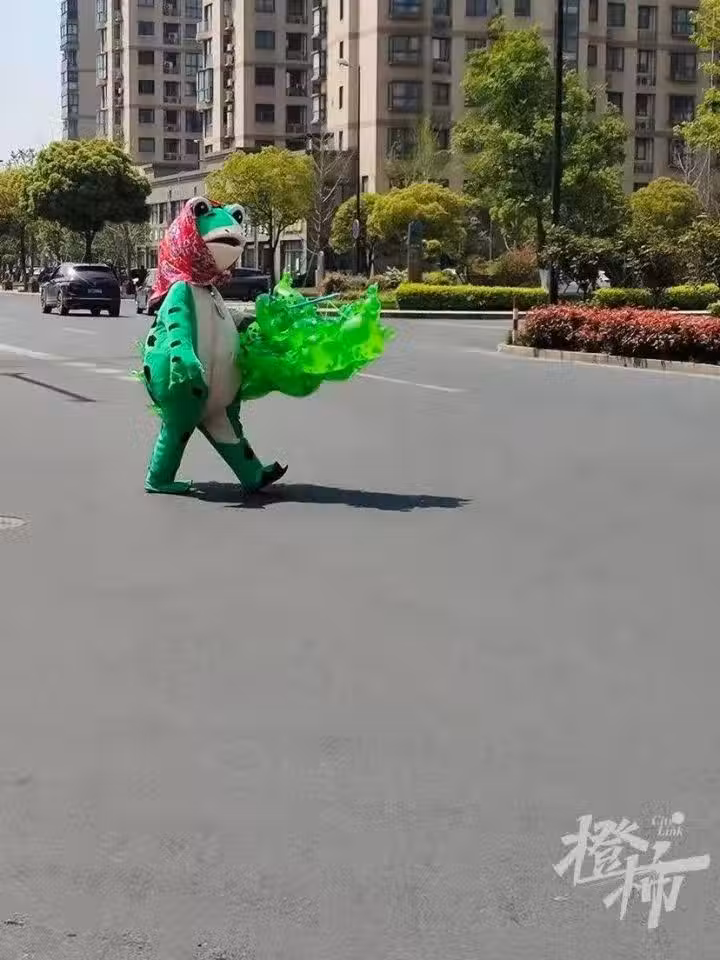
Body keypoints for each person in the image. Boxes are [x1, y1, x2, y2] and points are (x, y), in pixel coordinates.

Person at [138, 196, 393, 495]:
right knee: (178, 427)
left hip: (213, 388)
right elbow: (177, 326)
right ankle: (158, 478)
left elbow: (222, 322)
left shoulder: (209, 291)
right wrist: (183, 358)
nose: (232, 231)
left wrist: (260, 321)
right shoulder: (182, 289)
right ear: (188, 238)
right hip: (185, 383)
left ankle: (252, 474)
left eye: (236, 218)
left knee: (226, 429)